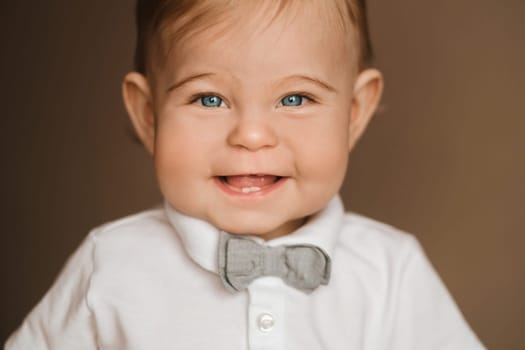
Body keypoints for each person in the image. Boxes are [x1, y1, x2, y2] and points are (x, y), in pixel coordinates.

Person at [5, 0, 486, 349]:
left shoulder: (390, 273)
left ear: (354, 112)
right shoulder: (110, 266)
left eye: (295, 99)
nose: (252, 136)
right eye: (208, 99)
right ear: (148, 114)